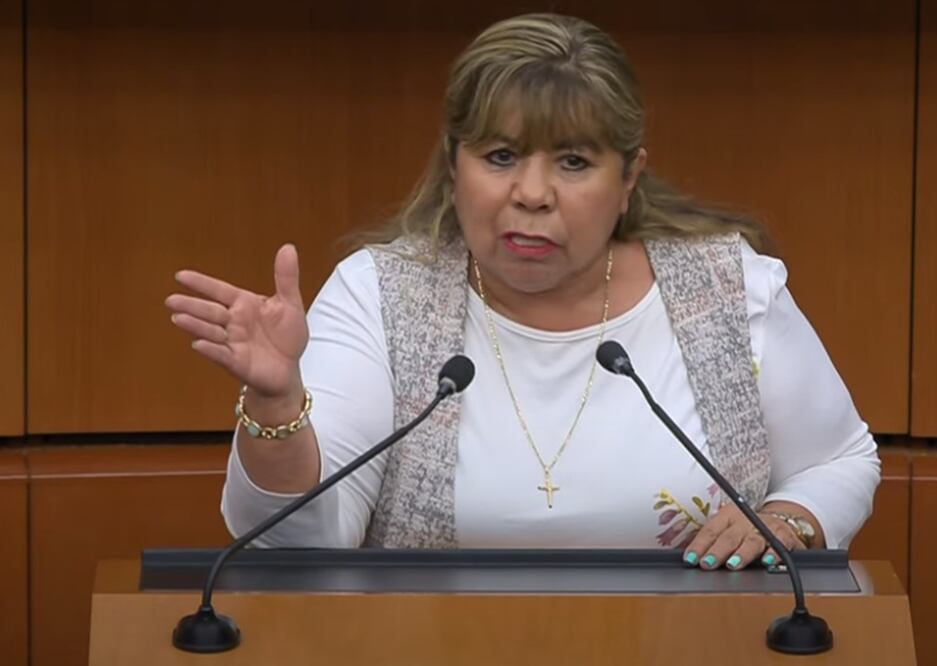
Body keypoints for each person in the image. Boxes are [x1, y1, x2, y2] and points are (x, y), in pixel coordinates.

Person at [165, 13, 879, 571]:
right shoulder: (382, 296)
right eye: (501, 156)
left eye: (573, 161)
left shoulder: (727, 289)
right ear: (454, 167)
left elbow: (839, 460)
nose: (531, 194)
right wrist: (277, 404)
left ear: (628, 179)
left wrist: (791, 518)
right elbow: (300, 548)